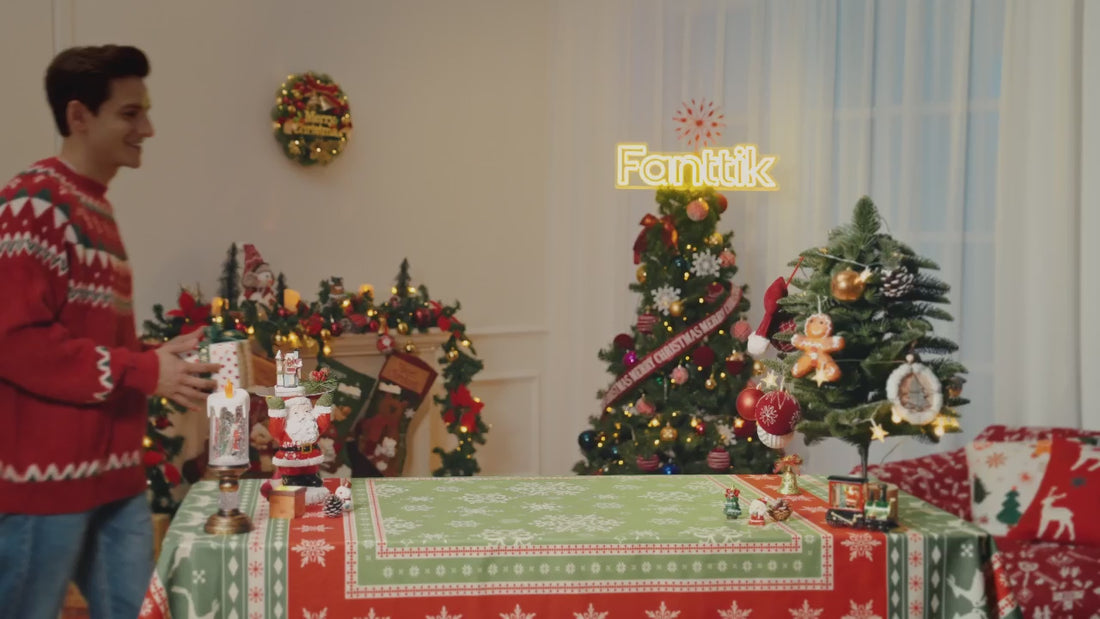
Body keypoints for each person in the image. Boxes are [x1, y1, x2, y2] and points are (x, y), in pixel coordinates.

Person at [0, 45, 221, 619]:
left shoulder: (94, 209)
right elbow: (17, 343)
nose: (147, 128)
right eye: (130, 113)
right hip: (46, 484)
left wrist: (154, 358)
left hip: (114, 479)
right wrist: (143, 369)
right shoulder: (35, 202)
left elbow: (83, 342)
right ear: (79, 116)